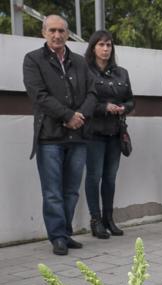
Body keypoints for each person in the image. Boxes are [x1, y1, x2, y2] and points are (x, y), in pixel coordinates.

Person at [23, 15, 96, 255]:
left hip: (78, 136)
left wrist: (80, 116)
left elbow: (93, 93)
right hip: (49, 137)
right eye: (52, 30)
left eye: (61, 31)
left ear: (67, 33)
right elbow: (39, 96)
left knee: (72, 190)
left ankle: (64, 232)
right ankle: (57, 237)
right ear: (43, 32)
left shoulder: (79, 61)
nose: (57, 35)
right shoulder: (33, 60)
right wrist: (68, 116)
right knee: (53, 191)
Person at [84, 30, 134, 239]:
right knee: (94, 177)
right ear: (93, 47)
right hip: (94, 132)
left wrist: (123, 108)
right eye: (101, 45)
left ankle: (108, 219)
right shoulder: (84, 70)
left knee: (110, 178)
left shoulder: (121, 72)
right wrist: (105, 107)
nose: (105, 49)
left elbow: (131, 101)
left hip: (115, 132)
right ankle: (95, 220)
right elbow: (83, 102)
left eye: (109, 45)